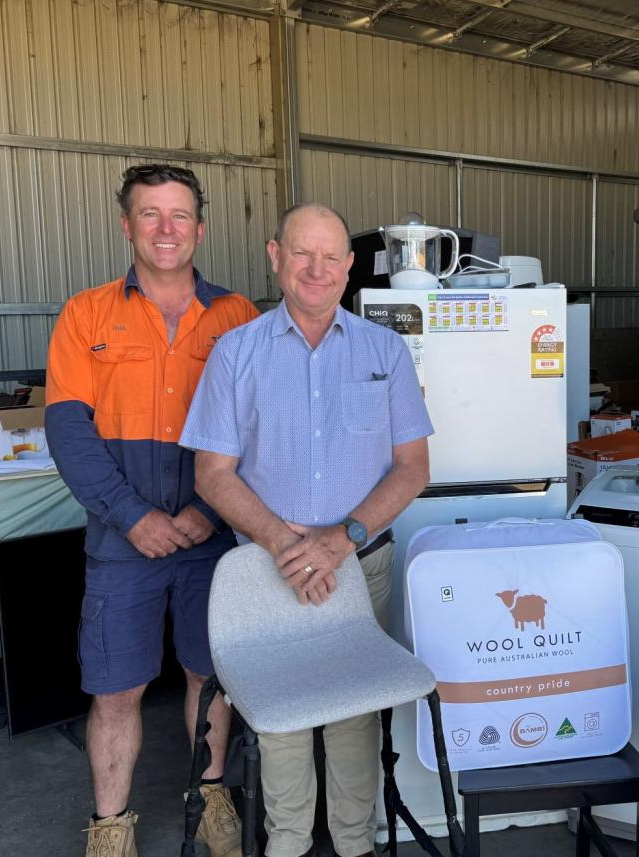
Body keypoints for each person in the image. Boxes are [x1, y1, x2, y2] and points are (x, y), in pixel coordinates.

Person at [180, 202, 433, 857]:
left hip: (361, 563)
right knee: (281, 718)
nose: (316, 270)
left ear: (350, 267)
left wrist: (339, 539)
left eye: (331, 257)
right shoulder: (236, 353)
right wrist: (288, 545)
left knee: (354, 709)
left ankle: (354, 843)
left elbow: (412, 469)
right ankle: (288, 844)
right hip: (268, 572)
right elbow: (212, 473)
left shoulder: (386, 350)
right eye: (302, 253)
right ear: (275, 256)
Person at [45, 164, 259, 857]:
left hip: (211, 535)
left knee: (209, 672)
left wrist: (206, 508)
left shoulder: (238, 317)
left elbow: (259, 427)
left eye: (179, 216)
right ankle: (111, 827)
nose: (166, 230)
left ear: (200, 228)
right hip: (121, 539)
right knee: (117, 687)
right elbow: (69, 431)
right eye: (149, 214)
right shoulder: (85, 315)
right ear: (126, 224)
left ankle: (213, 797)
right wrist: (131, 515)